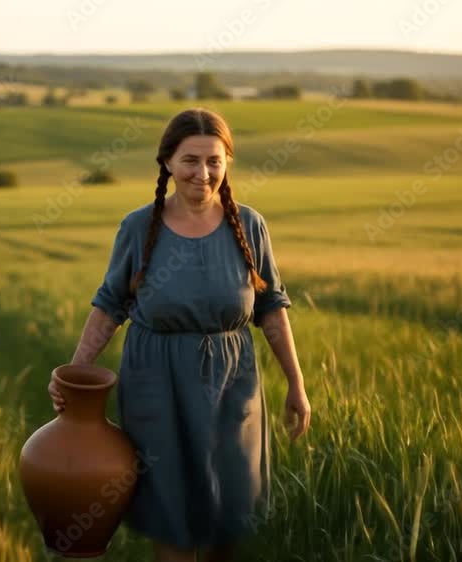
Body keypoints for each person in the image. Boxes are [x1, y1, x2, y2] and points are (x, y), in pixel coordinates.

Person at [48, 108, 311, 562]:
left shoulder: (249, 225)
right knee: (172, 514)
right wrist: (76, 374)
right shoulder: (137, 227)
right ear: (167, 162)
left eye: (214, 160)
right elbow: (110, 305)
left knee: (229, 512)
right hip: (156, 385)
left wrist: (297, 384)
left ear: (227, 162)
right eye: (190, 160)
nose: (203, 173)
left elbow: (271, 309)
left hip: (235, 386)